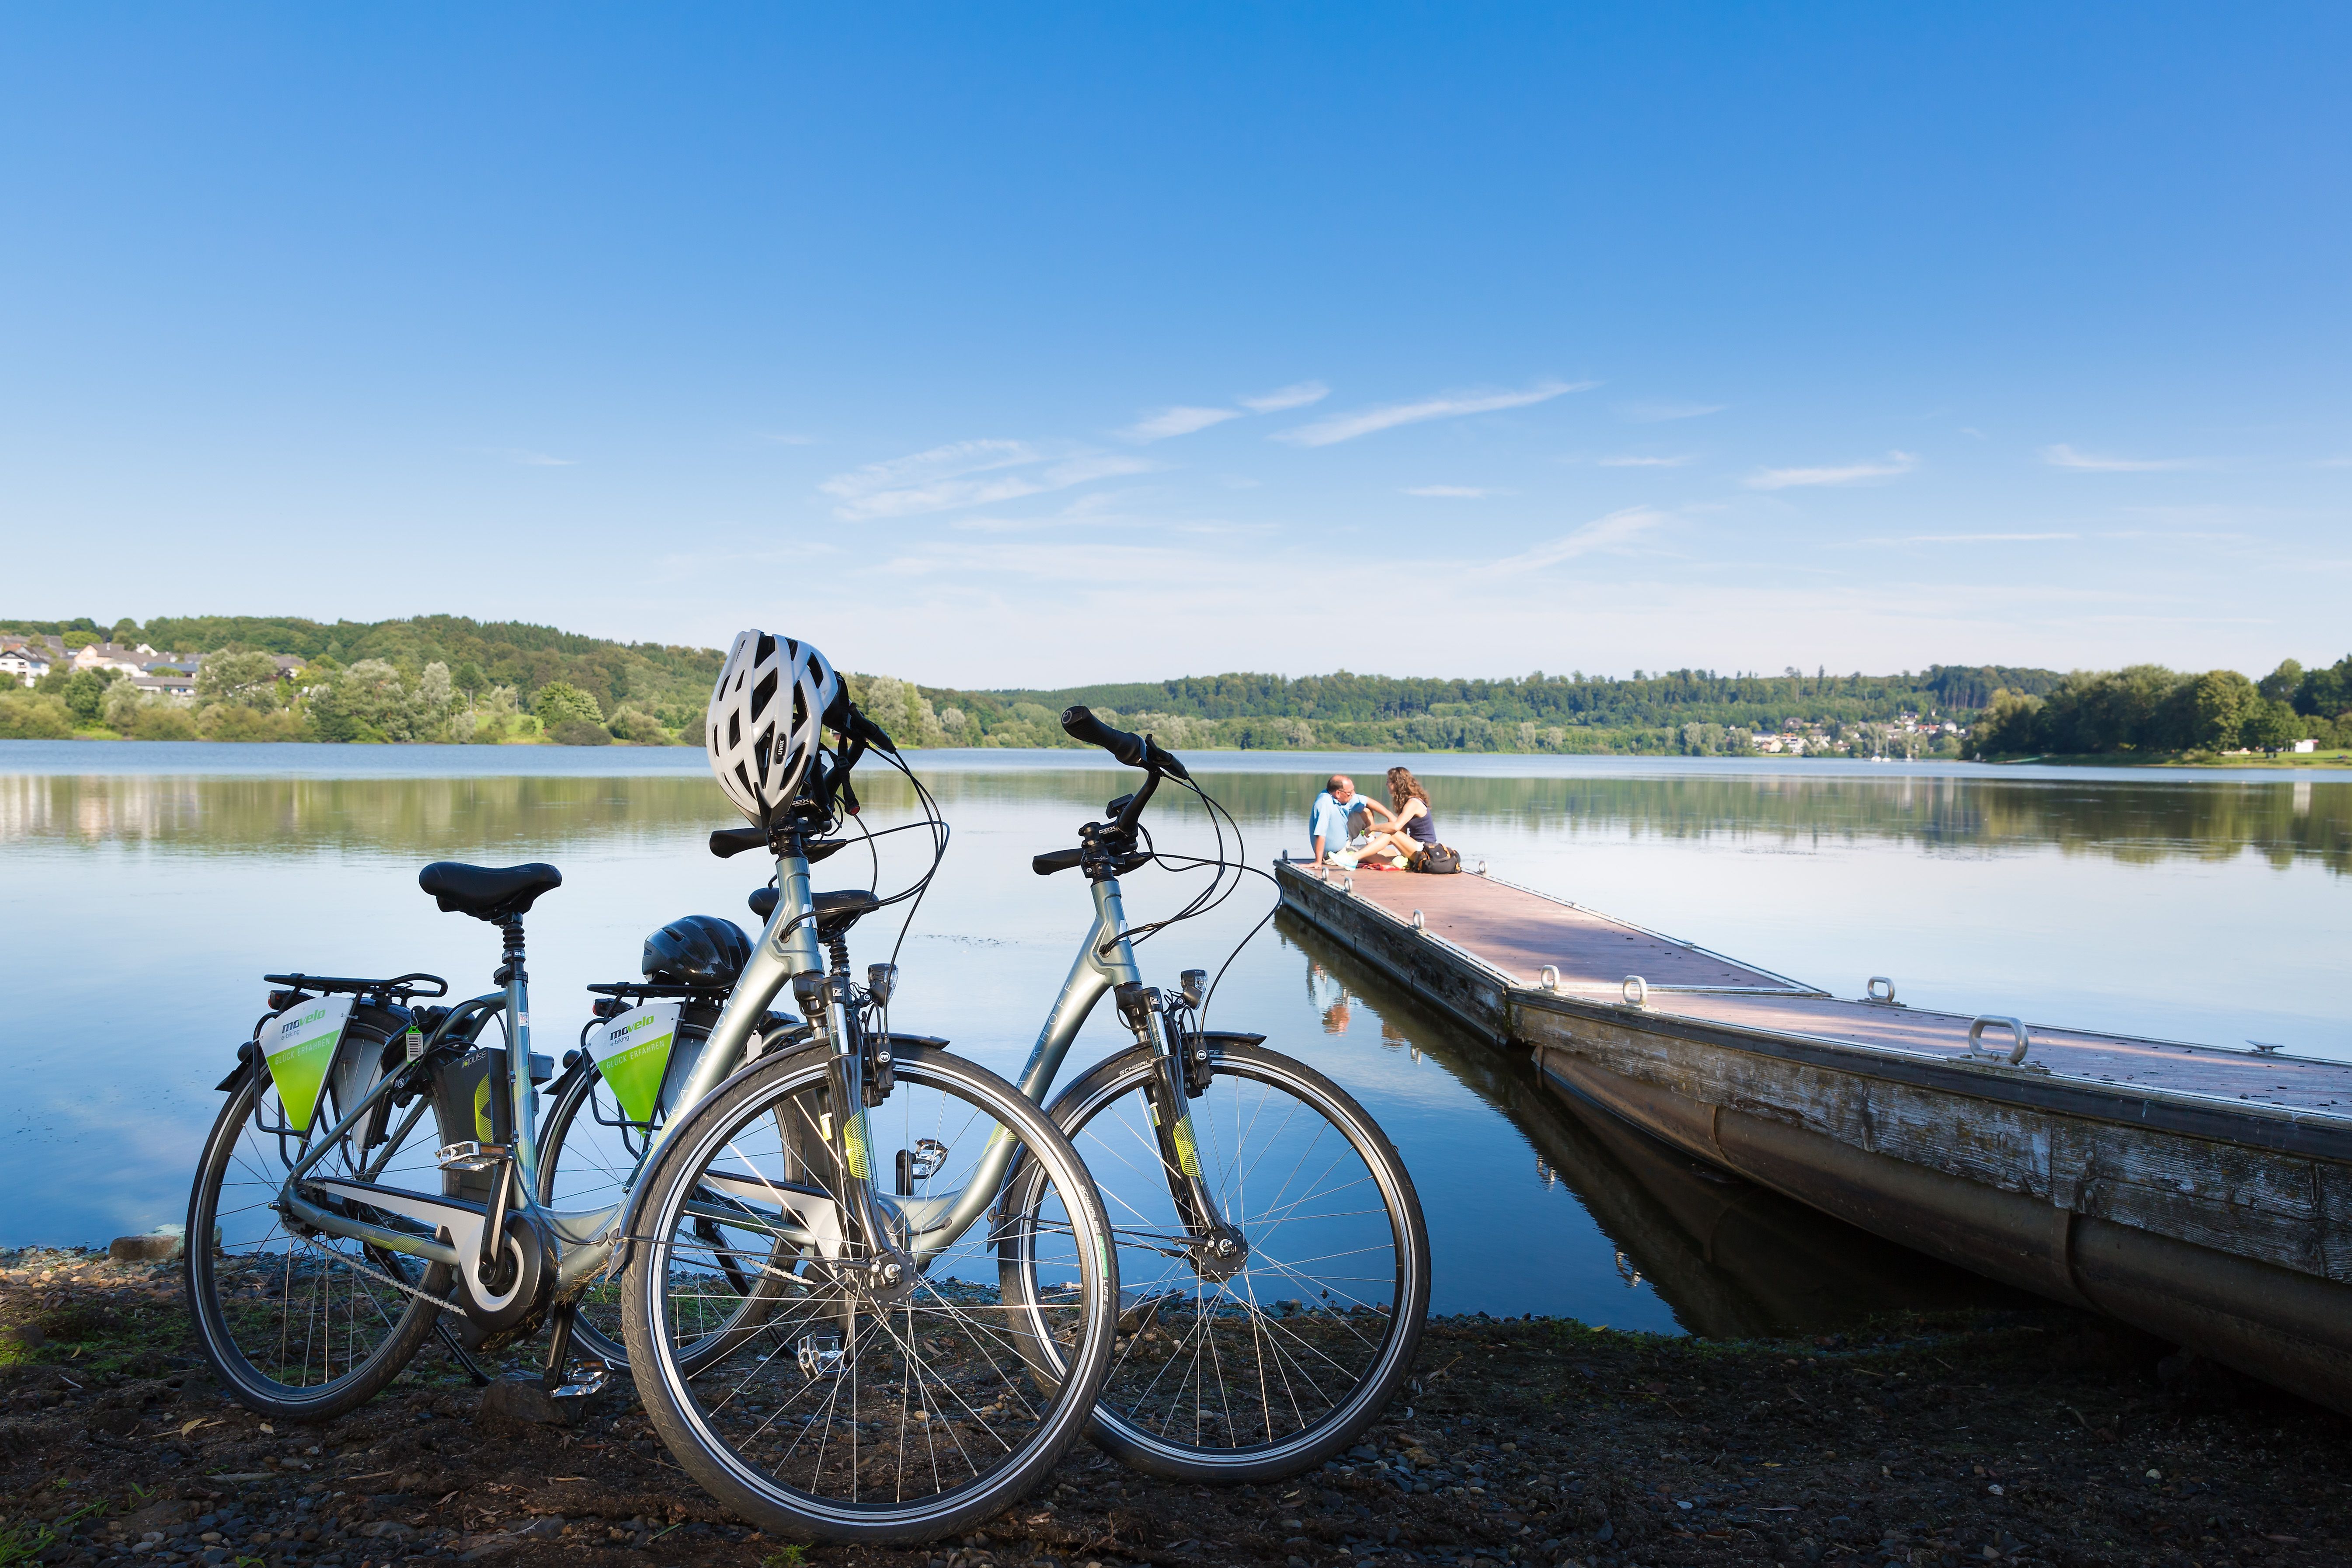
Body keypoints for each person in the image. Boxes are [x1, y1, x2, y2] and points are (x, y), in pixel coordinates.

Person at [1354, 766, 1437, 869]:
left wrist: (1372, 828)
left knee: (1391, 834)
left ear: (1397, 784)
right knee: (1367, 853)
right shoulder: (1406, 803)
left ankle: (1351, 859)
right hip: (1413, 848)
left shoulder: (1413, 803)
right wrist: (1376, 843)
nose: (1386, 784)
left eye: (1388, 781)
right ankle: (1399, 866)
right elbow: (1401, 834)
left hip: (1425, 850)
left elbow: (1395, 828)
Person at [1307, 774, 1369, 866]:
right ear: (1338, 793)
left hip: (1343, 846)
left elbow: (1367, 801)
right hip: (1332, 856)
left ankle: (1372, 841)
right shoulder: (1324, 803)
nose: (1353, 795)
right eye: (1349, 793)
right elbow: (1320, 834)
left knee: (1366, 812)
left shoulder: (1342, 798)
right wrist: (1318, 862)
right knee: (1373, 853)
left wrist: (1390, 817)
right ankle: (1391, 861)